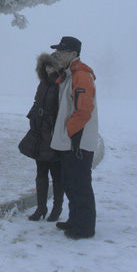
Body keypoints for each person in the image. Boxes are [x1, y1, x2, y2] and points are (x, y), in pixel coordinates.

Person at [49, 36, 99, 240]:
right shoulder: (69, 75)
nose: (58, 54)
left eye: (63, 50)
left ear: (74, 54)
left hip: (77, 143)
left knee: (80, 184)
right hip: (70, 142)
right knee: (70, 182)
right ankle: (75, 219)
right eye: (57, 50)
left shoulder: (81, 75)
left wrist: (68, 133)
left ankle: (85, 227)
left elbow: (84, 110)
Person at [18, 52, 64, 221]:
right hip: (39, 133)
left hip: (52, 135)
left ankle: (57, 208)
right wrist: (33, 118)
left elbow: (62, 110)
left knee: (56, 174)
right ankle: (41, 208)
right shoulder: (43, 84)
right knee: (41, 173)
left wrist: (54, 129)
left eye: (51, 65)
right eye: (46, 65)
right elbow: (37, 103)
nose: (48, 68)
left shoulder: (61, 84)